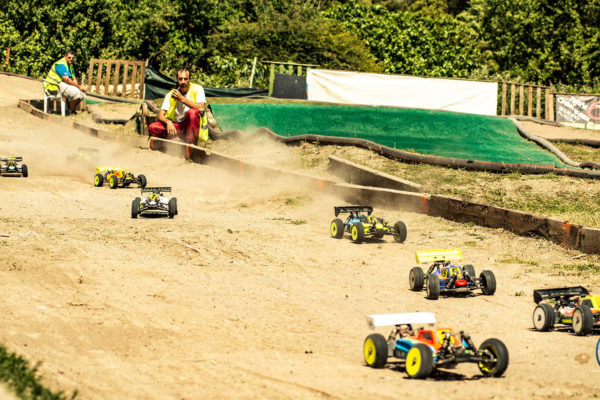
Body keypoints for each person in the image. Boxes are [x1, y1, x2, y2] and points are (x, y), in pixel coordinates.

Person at [149, 67, 209, 144]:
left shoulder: (198, 89)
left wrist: (181, 99)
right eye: (180, 79)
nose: (183, 82)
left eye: (185, 79)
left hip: (189, 126)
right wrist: (168, 122)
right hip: (176, 126)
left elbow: (201, 108)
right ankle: (178, 140)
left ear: (189, 79)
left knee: (192, 112)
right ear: (177, 79)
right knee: (153, 127)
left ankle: (190, 144)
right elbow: (160, 115)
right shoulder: (170, 94)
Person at [44, 50, 87, 114]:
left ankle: (70, 110)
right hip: (54, 86)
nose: (71, 59)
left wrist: (80, 87)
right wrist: (78, 87)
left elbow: (73, 78)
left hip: (61, 84)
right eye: (69, 57)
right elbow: (66, 79)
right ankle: (71, 111)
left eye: (72, 58)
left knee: (83, 94)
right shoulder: (61, 64)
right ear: (65, 57)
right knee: (77, 92)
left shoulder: (70, 65)